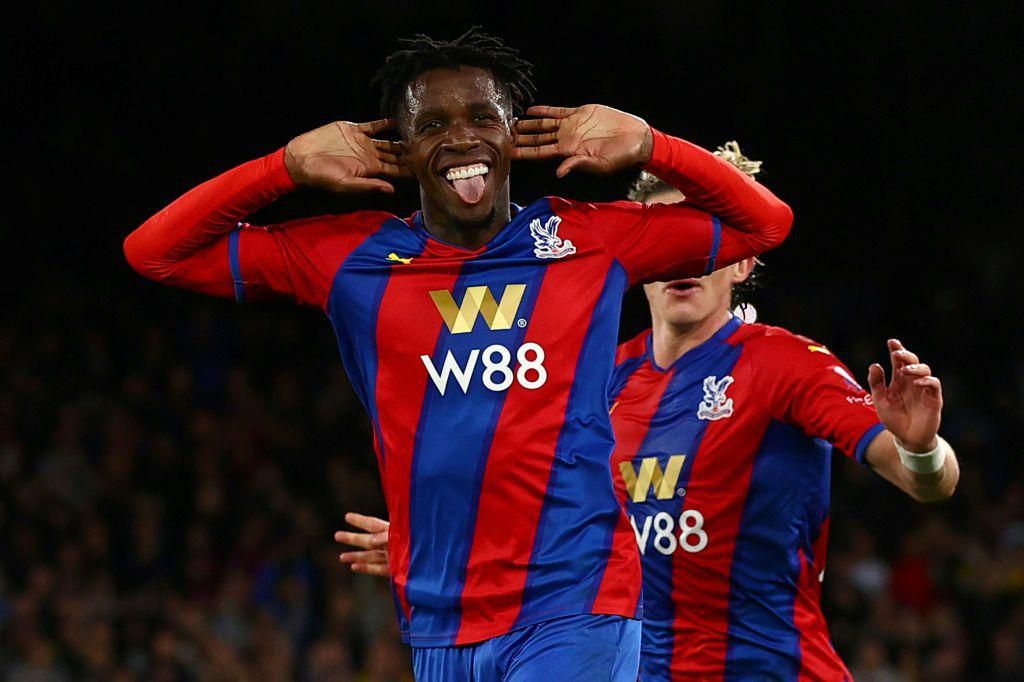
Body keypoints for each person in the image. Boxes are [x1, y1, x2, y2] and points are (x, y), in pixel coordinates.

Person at [123, 27, 793, 681]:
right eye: (433, 125)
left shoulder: (588, 239)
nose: (462, 138)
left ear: (513, 133)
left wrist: (653, 146)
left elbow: (764, 223)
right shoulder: (350, 258)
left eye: (482, 116)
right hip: (440, 619)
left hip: (575, 602)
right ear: (405, 149)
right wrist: (285, 167)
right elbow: (155, 253)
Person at [335, 142, 957, 680]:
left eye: (702, 239)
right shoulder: (597, 378)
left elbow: (926, 481)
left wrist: (922, 447)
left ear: (741, 261)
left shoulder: (784, 364)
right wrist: (452, 543)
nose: (685, 262)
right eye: (670, 238)